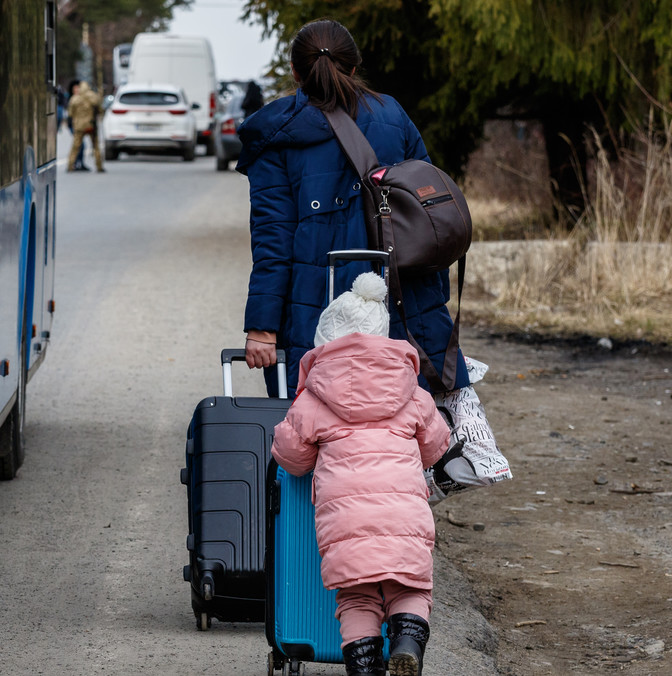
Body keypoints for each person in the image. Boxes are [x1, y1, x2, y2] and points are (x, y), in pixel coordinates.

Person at [236, 19, 469, 398]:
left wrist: (262, 328)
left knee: (320, 422)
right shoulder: (393, 115)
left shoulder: (276, 137)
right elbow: (430, 217)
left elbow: (273, 240)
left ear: (296, 71)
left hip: (314, 311)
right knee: (406, 421)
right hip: (400, 298)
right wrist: (432, 302)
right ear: (355, 66)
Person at [271, 272, 448, 676]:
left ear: (325, 343)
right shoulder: (412, 393)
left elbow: (291, 457)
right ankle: (406, 644)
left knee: (357, 599)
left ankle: (364, 669)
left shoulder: (315, 398)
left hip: (346, 522)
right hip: (404, 516)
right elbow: (435, 447)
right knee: (411, 586)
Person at [67, 80, 104, 173]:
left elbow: (70, 113)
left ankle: (70, 165)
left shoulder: (75, 98)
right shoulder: (93, 97)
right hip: (91, 125)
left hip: (79, 126)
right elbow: (100, 110)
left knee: (75, 147)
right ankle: (99, 166)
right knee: (96, 146)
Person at [65, 79, 86, 170]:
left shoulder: (82, 99)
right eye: (75, 88)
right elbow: (69, 115)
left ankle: (79, 163)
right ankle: (74, 163)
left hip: (80, 124)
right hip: (74, 124)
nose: (77, 90)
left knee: (80, 145)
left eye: (78, 88)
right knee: (79, 145)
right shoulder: (72, 99)